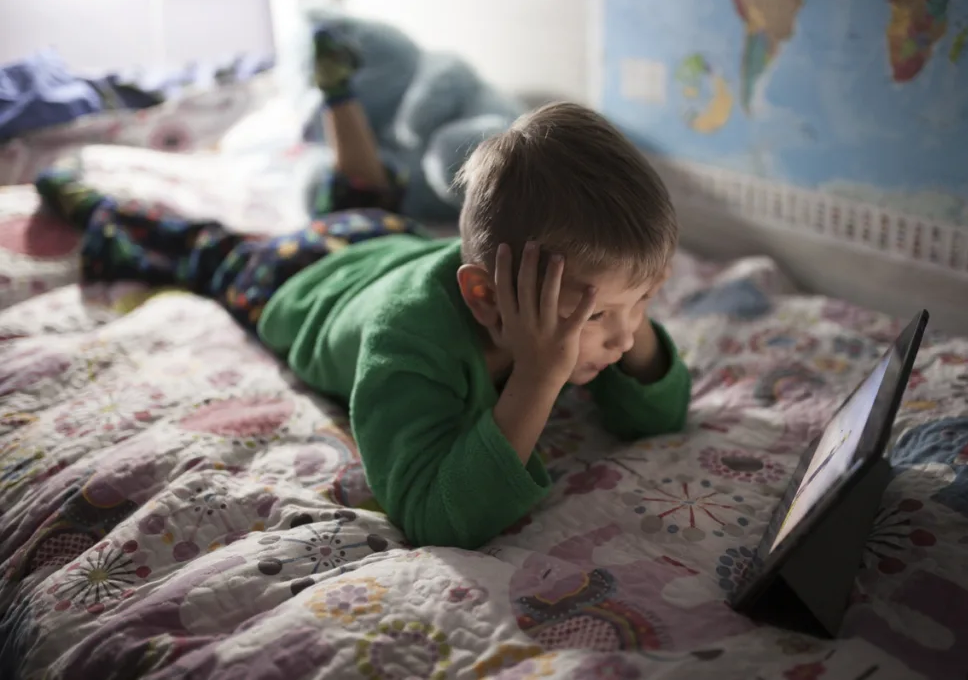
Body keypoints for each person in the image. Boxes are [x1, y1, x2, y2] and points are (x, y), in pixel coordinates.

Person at [34, 29, 692, 550]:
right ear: (487, 300)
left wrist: (624, 321)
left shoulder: (571, 312)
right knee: (204, 250)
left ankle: (338, 93)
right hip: (303, 274)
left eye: (640, 303)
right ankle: (96, 205)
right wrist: (537, 380)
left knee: (362, 195)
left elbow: (660, 413)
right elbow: (437, 513)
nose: (625, 335)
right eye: (602, 313)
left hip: (389, 237)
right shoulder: (407, 345)